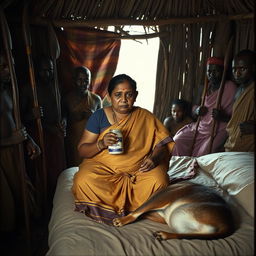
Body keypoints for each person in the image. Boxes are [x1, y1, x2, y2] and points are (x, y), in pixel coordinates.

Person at [72, 74, 174, 224]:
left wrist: (153, 159)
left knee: (160, 180)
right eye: (118, 95)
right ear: (109, 96)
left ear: (136, 96)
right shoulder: (99, 116)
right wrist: (101, 144)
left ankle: (137, 210)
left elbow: (162, 145)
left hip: (137, 171)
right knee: (83, 180)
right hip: (104, 169)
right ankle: (134, 209)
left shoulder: (145, 116)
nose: (124, 100)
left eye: (129, 95)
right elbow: (82, 150)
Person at [0, 52, 41, 234]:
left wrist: (28, 139)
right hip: (3, 153)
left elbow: (16, 121)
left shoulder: (9, 92)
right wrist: (11, 140)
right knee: (6, 204)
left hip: (15, 150)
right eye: (3, 67)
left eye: (10, 66)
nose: (9, 70)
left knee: (25, 194)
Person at [20, 56, 66, 203]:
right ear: (36, 71)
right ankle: (42, 205)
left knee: (58, 171)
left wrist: (64, 121)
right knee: (41, 173)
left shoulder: (56, 85)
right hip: (39, 136)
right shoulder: (28, 89)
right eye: (44, 71)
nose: (47, 74)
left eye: (50, 70)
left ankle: (58, 203)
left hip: (56, 136)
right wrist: (32, 115)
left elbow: (64, 111)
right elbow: (19, 118)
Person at [172, 57, 237, 157]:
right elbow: (193, 108)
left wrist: (222, 117)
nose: (211, 74)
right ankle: (180, 167)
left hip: (218, 129)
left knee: (203, 154)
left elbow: (237, 117)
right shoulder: (205, 87)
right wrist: (197, 110)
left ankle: (193, 170)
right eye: (209, 71)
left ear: (223, 72)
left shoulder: (230, 87)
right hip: (200, 127)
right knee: (178, 140)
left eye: (216, 71)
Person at [63, 66, 102, 167]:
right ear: (74, 80)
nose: (83, 83)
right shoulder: (67, 99)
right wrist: (71, 118)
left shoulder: (96, 99)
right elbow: (63, 119)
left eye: (86, 80)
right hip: (73, 141)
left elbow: (103, 124)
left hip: (91, 143)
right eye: (80, 80)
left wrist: (93, 116)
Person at [224, 50, 255, 152]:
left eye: (242, 68)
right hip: (232, 143)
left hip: (247, 147)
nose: (237, 73)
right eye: (234, 69)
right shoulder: (239, 90)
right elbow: (235, 121)